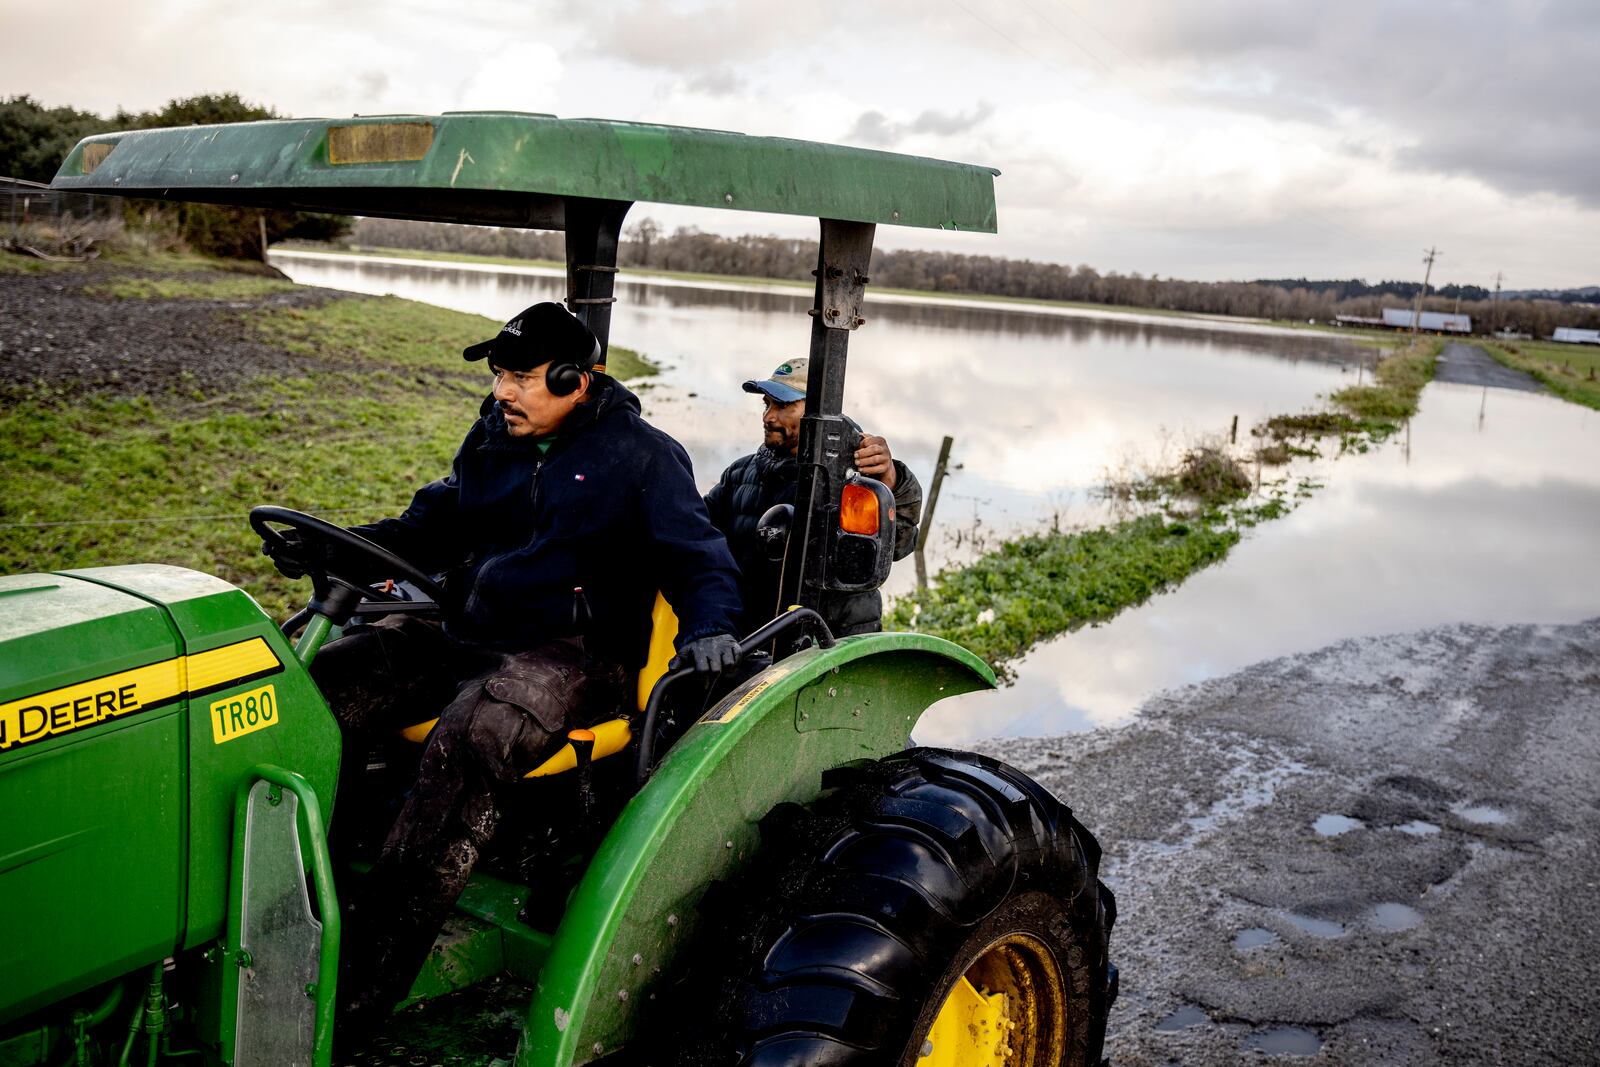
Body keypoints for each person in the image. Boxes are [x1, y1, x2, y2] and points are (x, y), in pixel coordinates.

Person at [267, 301, 742, 1023]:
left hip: (578, 655)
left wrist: (709, 626)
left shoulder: (643, 456)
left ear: (573, 378)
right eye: (499, 375)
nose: (502, 392)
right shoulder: (493, 441)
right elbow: (425, 527)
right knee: (326, 686)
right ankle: (288, 895)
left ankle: (369, 973)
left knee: (476, 733)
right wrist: (332, 546)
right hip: (470, 631)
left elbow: (700, 558)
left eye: (520, 377)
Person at [703, 357, 922, 637]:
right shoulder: (739, 474)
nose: (768, 416)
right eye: (766, 404)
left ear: (818, 411)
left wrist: (890, 479)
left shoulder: (853, 483)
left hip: (830, 646)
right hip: (749, 639)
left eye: (782, 406)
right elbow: (699, 538)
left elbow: (898, 546)